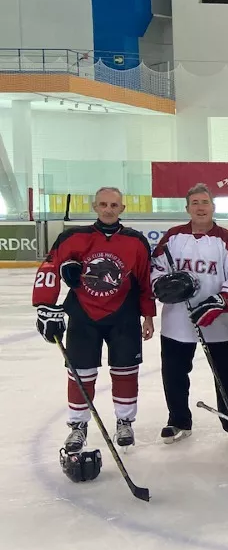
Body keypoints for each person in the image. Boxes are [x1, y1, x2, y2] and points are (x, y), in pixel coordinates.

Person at [32, 186, 155, 454]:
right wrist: (45, 305)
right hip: (83, 315)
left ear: (122, 208)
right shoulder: (73, 237)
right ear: (95, 206)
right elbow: (50, 267)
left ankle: (124, 420)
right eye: (103, 204)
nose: (108, 209)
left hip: (124, 316)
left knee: (125, 371)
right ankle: (78, 426)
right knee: (81, 373)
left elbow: (145, 280)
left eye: (114, 205)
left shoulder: (136, 241)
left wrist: (148, 315)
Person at [150, 183, 228, 442]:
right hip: (177, 321)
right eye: (195, 203)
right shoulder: (172, 237)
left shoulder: (227, 240)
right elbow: (156, 268)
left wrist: (221, 302)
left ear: (213, 207)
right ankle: (178, 420)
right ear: (187, 208)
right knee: (174, 372)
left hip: (216, 321)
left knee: (226, 374)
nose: (200, 207)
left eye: (205, 202)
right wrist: (162, 285)